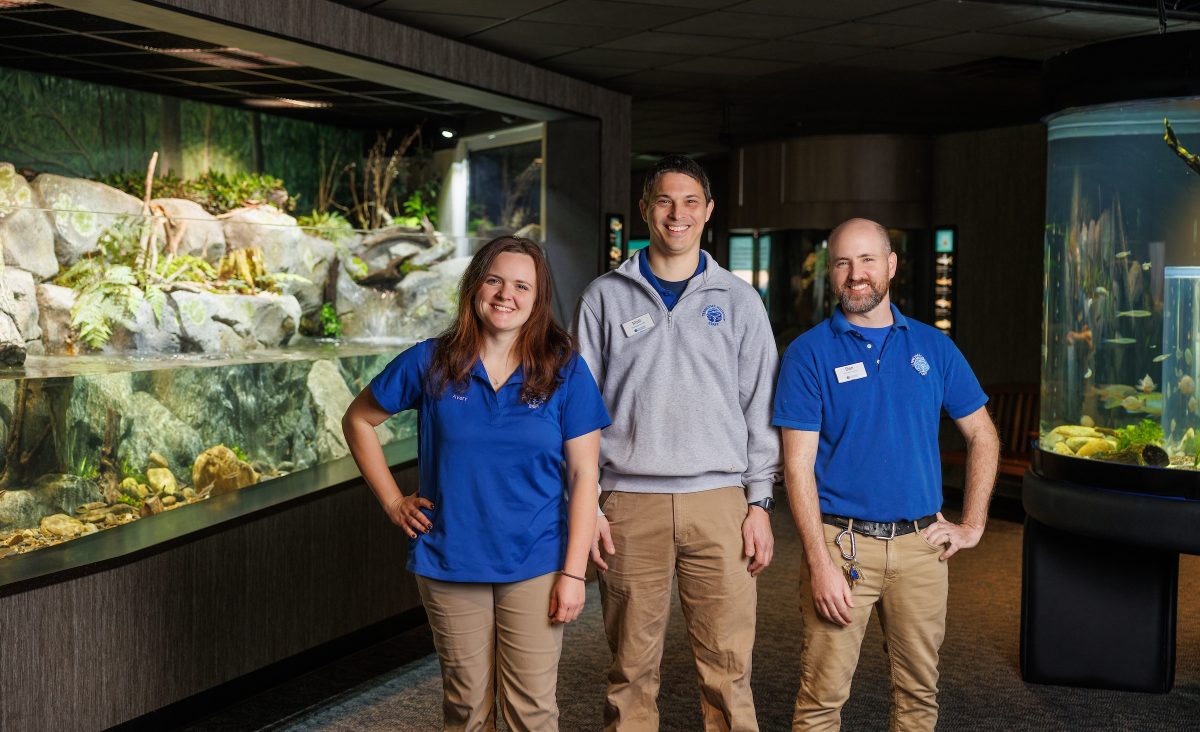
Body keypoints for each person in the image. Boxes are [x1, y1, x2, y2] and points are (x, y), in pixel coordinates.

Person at [342, 236, 610, 731]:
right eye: (495, 280)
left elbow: (583, 474)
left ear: (537, 298)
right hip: (450, 560)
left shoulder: (564, 369)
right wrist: (393, 501)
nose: (507, 294)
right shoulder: (430, 361)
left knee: (531, 710)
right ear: (474, 287)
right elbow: (358, 420)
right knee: (466, 708)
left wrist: (574, 575)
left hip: (536, 561)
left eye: (522, 285)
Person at [574, 155, 781, 731]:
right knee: (630, 670)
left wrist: (760, 504)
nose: (677, 213)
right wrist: (588, 506)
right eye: (664, 201)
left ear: (708, 212)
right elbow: (579, 412)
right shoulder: (604, 297)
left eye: (690, 201)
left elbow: (760, 409)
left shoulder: (740, 301)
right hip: (627, 505)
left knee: (728, 667)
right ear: (645, 210)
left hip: (720, 502)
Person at [773, 218, 1000, 731]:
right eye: (843, 263)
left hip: (923, 549)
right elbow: (796, 467)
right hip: (843, 549)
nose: (857, 274)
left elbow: (983, 435)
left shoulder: (933, 347)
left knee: (919, 695)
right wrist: (819, 562)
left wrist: (973, 525)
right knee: (821, 698)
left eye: (868, 260)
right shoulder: (809, 353)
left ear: (891, 266)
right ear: (830, 274)